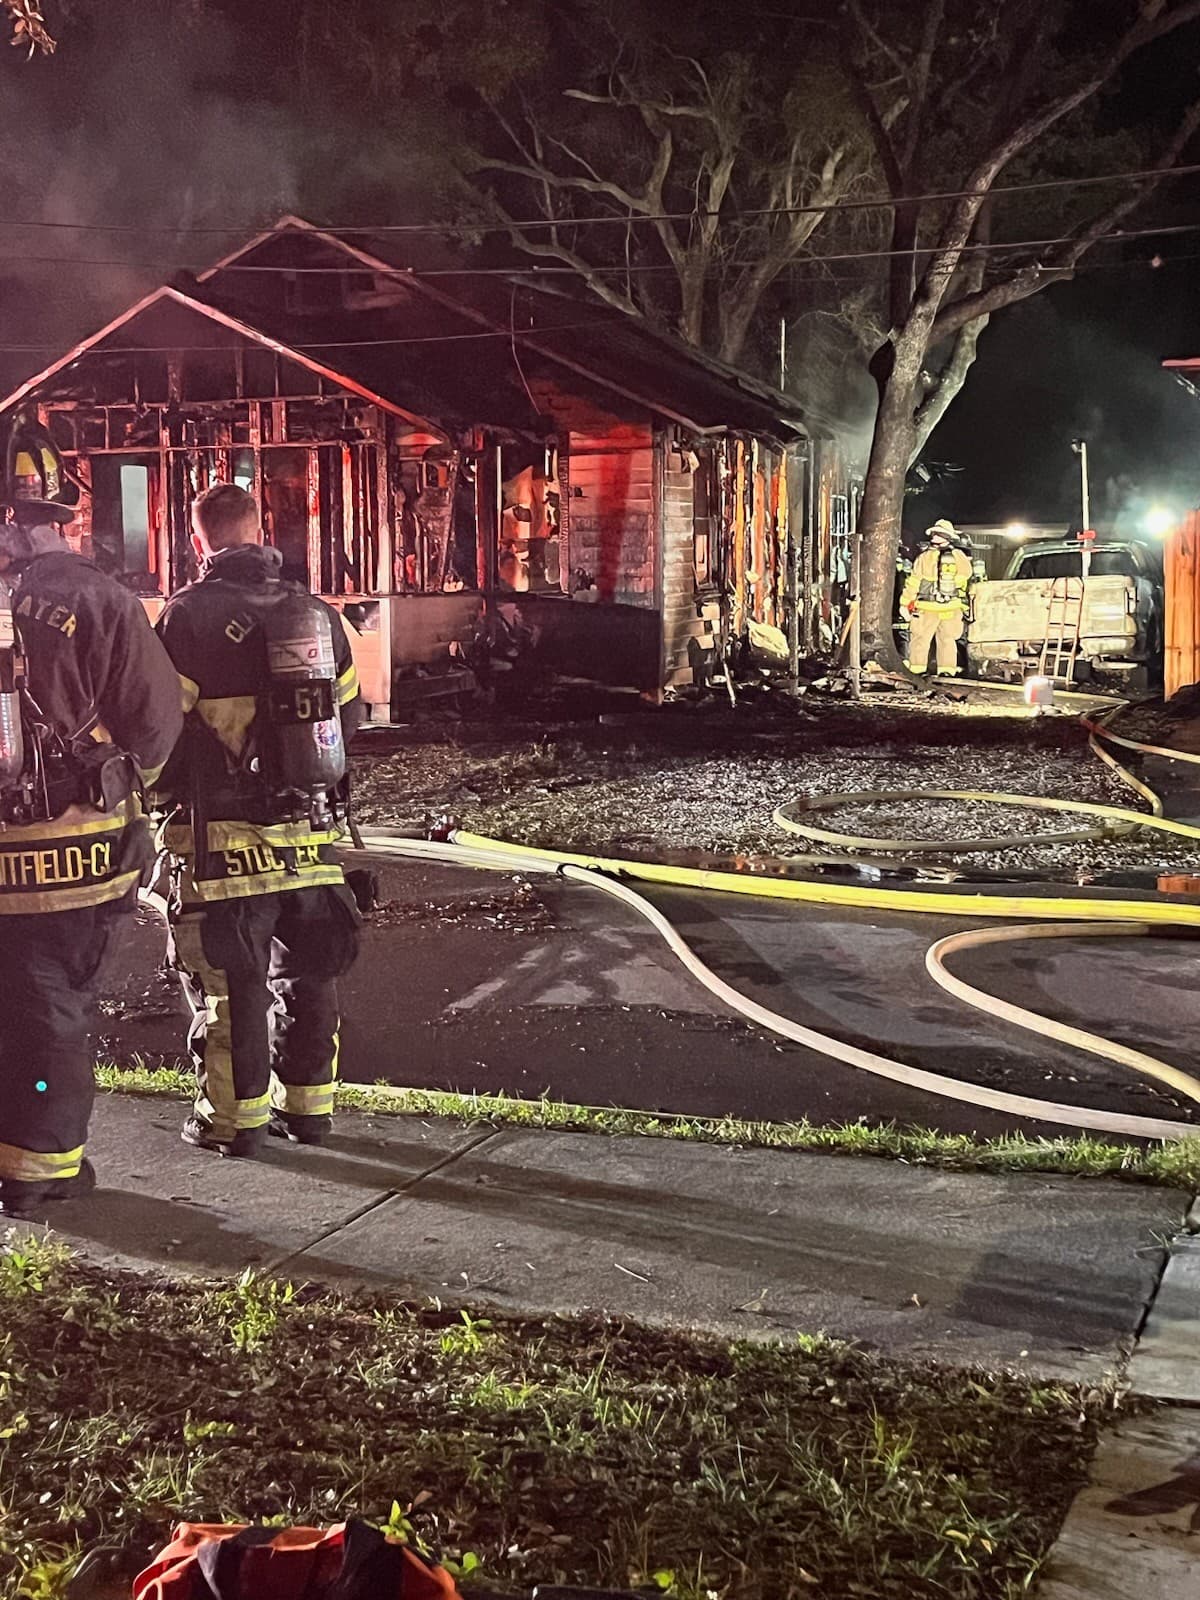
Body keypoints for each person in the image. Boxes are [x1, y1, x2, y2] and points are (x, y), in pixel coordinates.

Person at [0, 418, 182, 1218]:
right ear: (56, 512)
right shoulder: (99, 598)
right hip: (69, 859)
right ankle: (40, 1167)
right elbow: (155, 725)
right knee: (52, 1010)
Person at [155, 483, 364, 1157]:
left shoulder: (185, 619)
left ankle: (232, 1122)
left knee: (231, 982)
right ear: (258, 531)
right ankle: (310, 1112)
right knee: (309, 973)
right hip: (309, 831)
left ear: (199, 541)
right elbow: (350, 716)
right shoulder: (315, 615)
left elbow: (159, 729)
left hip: (222, 837)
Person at [900, 519, 974, 677]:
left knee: (920, 640)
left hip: (927, 608)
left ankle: (917, 671)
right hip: (952, 607)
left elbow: (913, 583)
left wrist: (904, 603)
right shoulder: (959, 556)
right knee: (947, 641)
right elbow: (966, 578)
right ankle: (947, 672)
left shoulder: (924, 558)